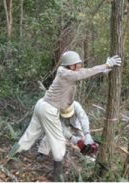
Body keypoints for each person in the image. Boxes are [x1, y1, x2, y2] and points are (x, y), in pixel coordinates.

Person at [9, 51, 121, 181]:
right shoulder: (65, 73)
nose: (79, 66)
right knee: (58, 141)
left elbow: (82, 72)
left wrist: (86, 136)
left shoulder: (66, 74)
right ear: (70, 65)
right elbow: (83, 73)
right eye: (76, 64)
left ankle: (11, 157)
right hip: (49, 109)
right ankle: (57, 175)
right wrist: (105, 65)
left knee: (30, 135)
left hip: (42, 104)